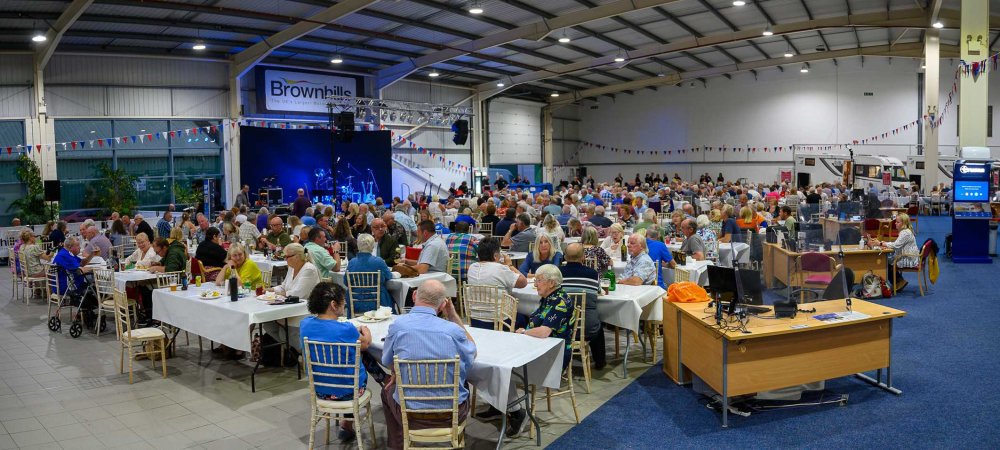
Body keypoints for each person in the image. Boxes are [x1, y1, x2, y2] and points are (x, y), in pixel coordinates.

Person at [381, 280, 476, 450]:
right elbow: (472, 351)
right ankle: (456, 438)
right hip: (450, 415)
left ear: (414, 295)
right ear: (443, 304)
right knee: (463, 383)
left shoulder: (398, 326)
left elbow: (387, 361)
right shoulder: (453, 331)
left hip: (408, 415)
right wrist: (452, 315)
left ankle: (397, 445)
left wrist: (396, 372)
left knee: (387, 389)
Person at [300, 282, 380, 442]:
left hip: (320, 390)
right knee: (360, 355)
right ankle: (384, 380)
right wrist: (366, 330)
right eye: (343, 301)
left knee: (348, 357)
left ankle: (346, 425)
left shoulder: (305, 324)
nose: (345, 304)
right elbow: (365, 343)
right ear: (333, 304)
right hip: (349, 392)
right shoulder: (346, 329)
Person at [518, 264, 576, 381]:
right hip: (540, 345)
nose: (535, 285)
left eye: (539, 281)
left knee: (508, 364)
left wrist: (524, 332)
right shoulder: (549, 297)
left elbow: (544, 332)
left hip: (553, 353)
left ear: (551, 283)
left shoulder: (560, 302)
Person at [559, 243, 605, 370]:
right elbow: (598, 291)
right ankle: (600, 362)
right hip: (587, 327)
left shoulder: (557, 274)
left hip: (562, 325)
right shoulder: (593, 274)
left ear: (565, 257)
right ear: (583, 257)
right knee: (597, 326)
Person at [867, 213, 918, 293]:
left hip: (909, 258)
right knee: (888, 261)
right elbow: (897, 244)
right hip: (908, 256)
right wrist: (883, 244)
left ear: (903, 223)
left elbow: (895, 245)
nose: (895, 223)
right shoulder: (905, 231)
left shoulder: (905, 233)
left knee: (885, 262)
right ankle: (899, 281)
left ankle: (898, 282)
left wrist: (880, 243)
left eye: (897, 222)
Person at [345, 234, 394, 314]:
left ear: (358, 246)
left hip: (356, 302)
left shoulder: (352, 262)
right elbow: (389, 276)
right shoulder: (379, 261)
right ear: (372, 246)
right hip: (378, 302)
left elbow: (346, 282)